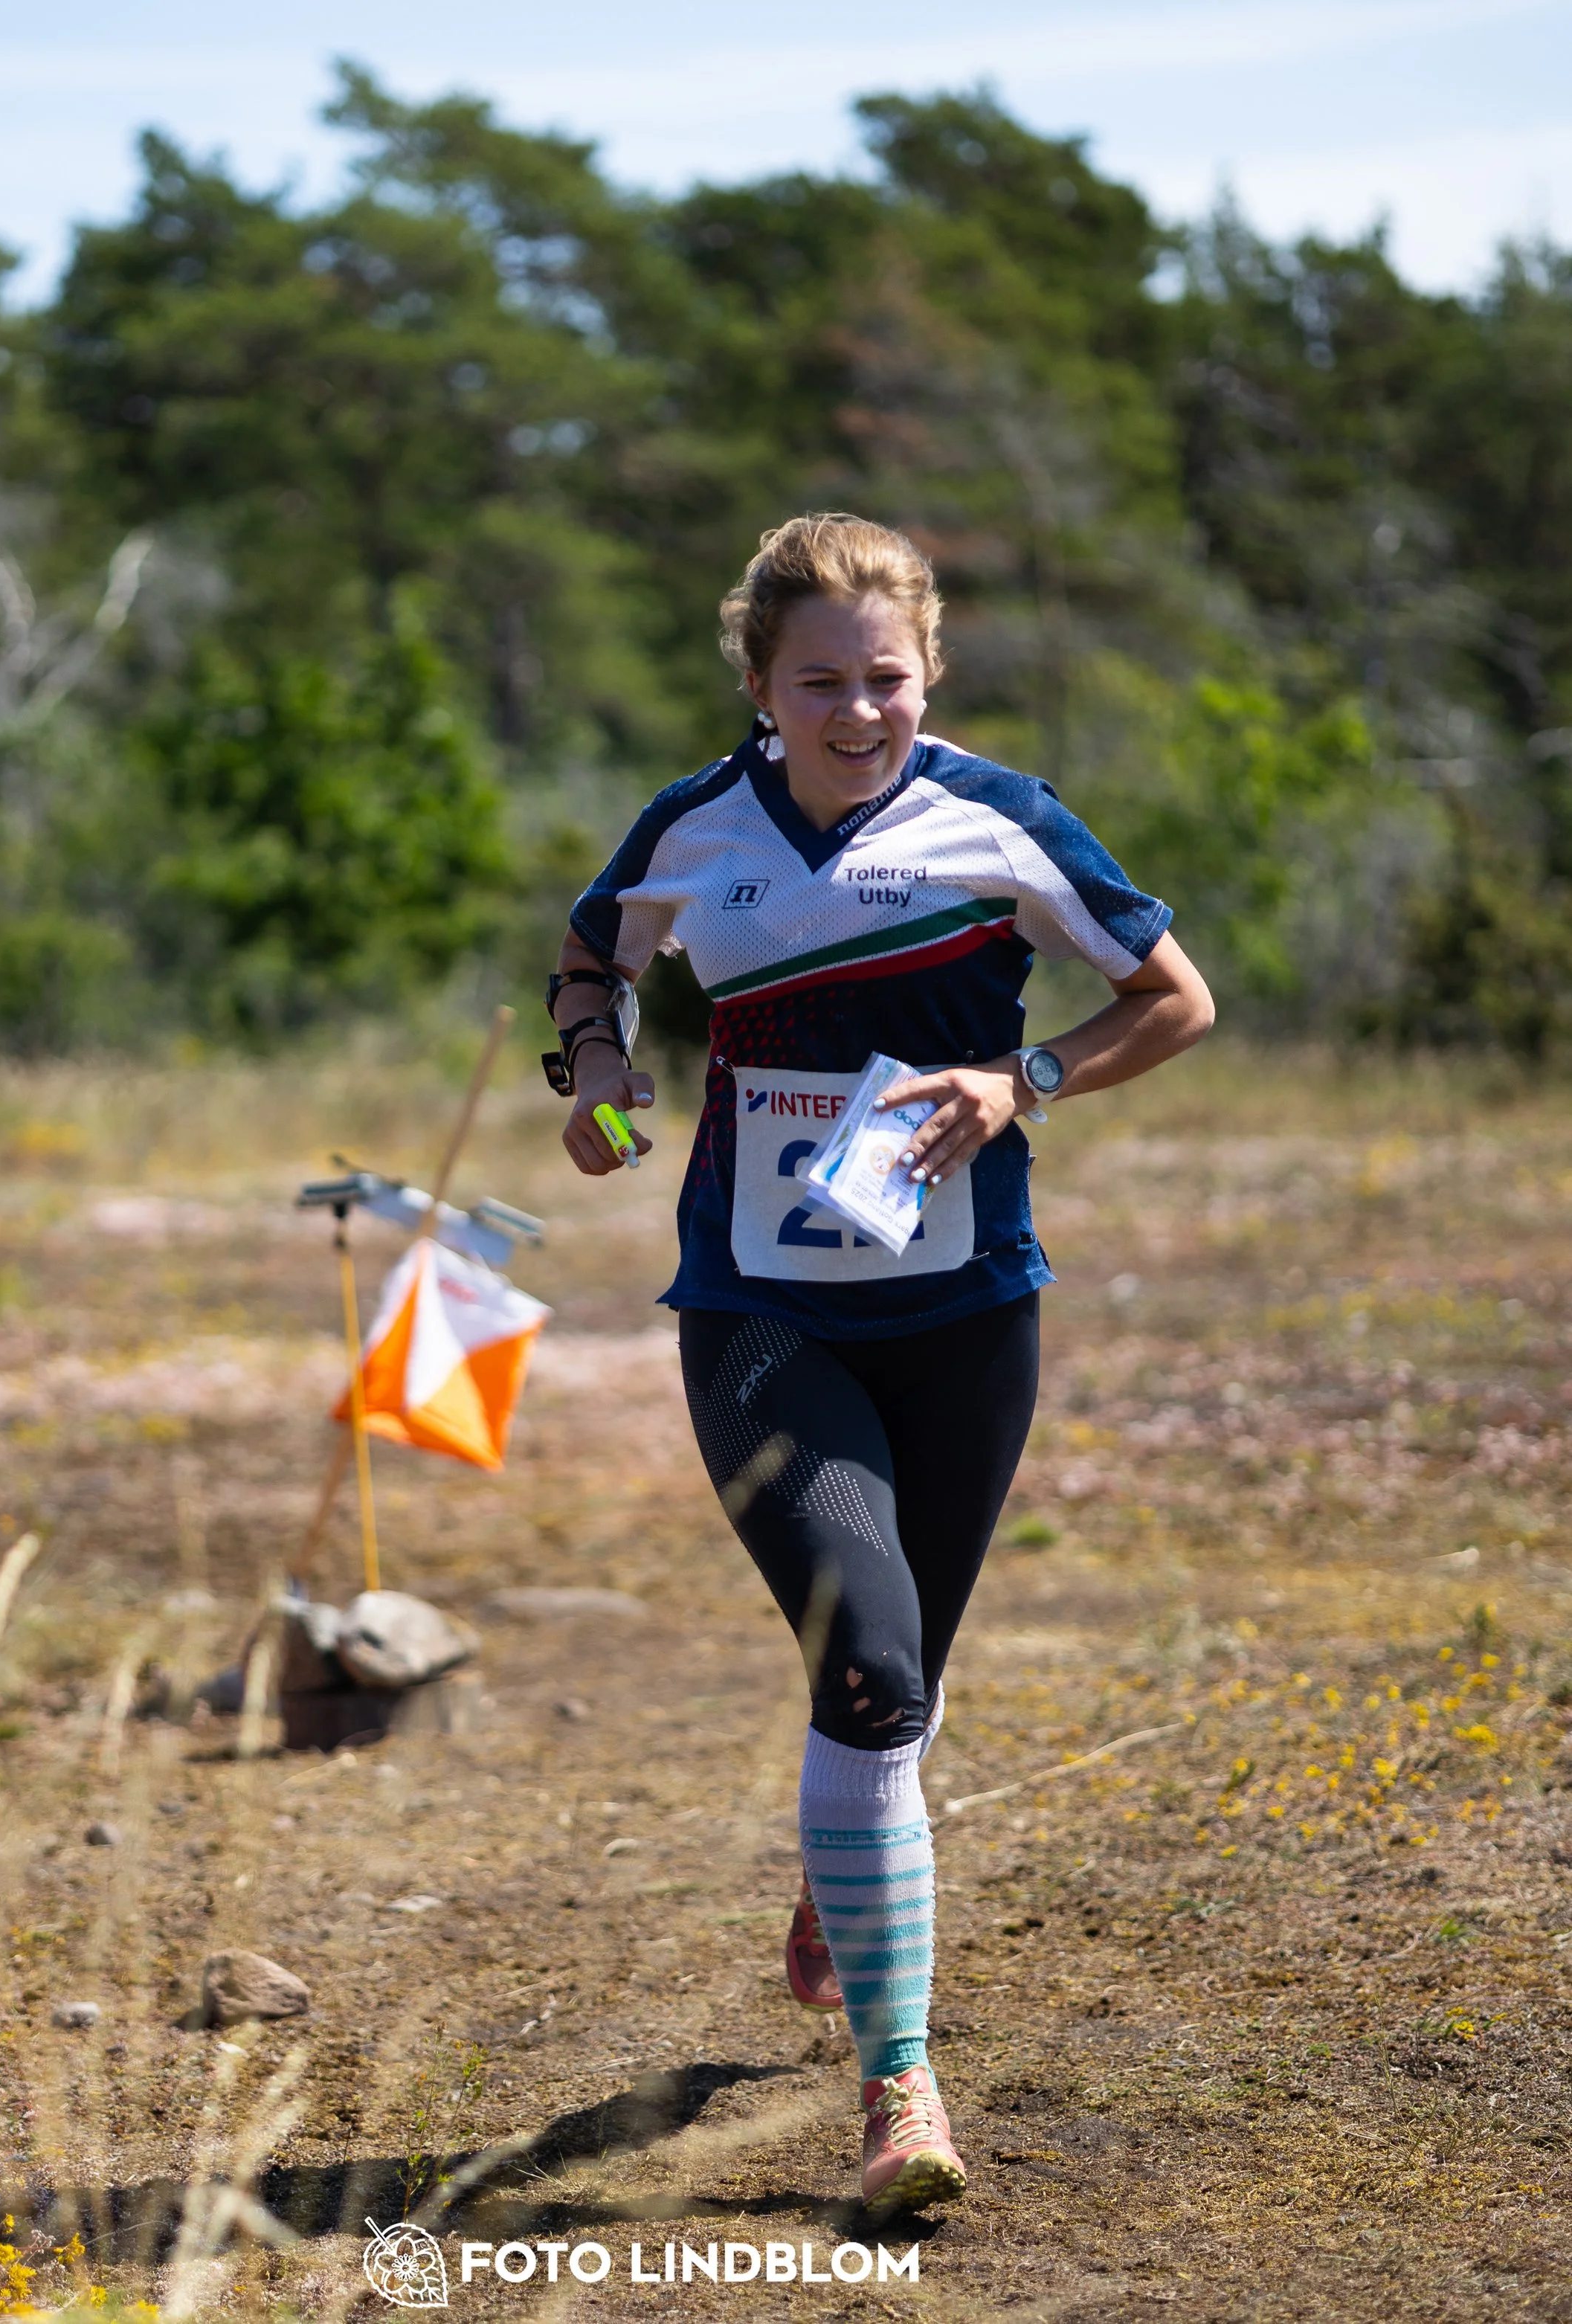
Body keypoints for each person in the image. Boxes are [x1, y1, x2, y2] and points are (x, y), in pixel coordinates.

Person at [547, 512, 1214, 2214]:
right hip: (761, 1313)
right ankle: (899, 2091)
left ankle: (852, 1865)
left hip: (969, 1306)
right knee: (867, 1671)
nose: (857, 713)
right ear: (761, 687)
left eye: (885, 678)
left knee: (896, 1683)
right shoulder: (697, 831)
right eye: (818, 682)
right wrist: (599, 1075)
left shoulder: (997, 817)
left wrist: (1025, 1081)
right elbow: (588, 958)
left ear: (930, 671)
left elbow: (1173, 997)